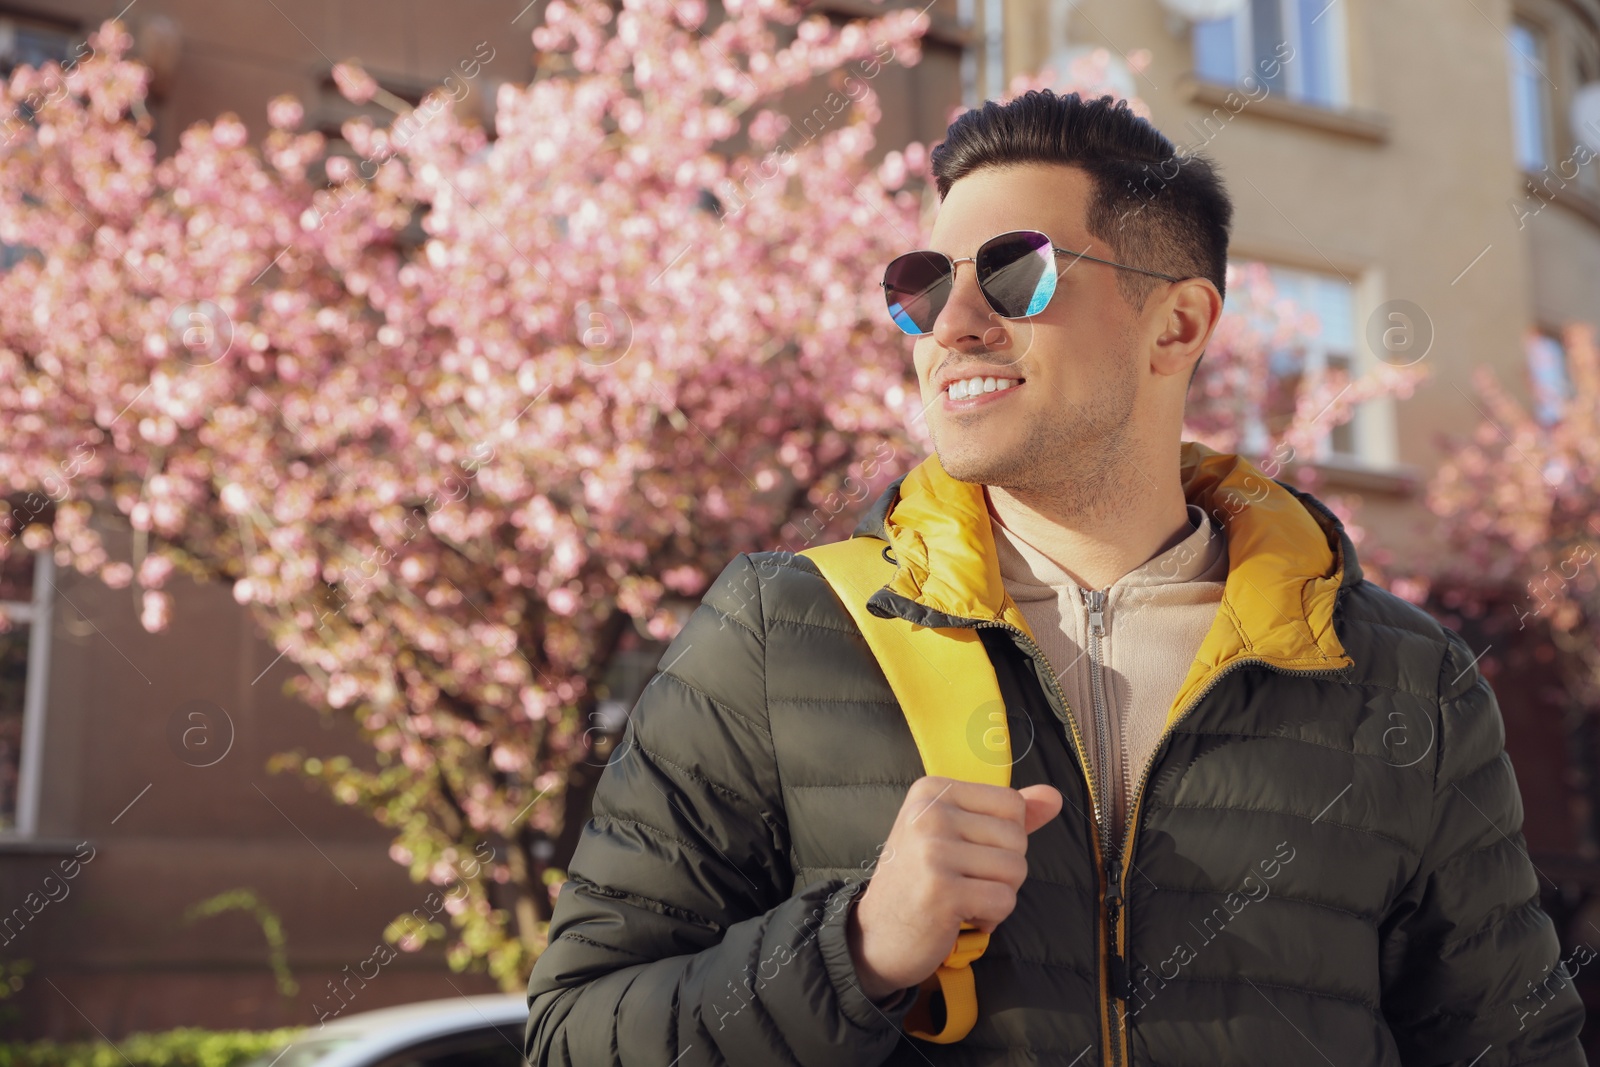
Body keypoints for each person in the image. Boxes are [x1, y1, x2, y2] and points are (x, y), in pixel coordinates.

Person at [523, 91, 1586, 1066]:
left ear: (1176, 324)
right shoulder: (780, 628)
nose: (950, 323)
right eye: (920, 284)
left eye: (1013, 272)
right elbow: (573, 1034)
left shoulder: (1402, 675)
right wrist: (855, 945)